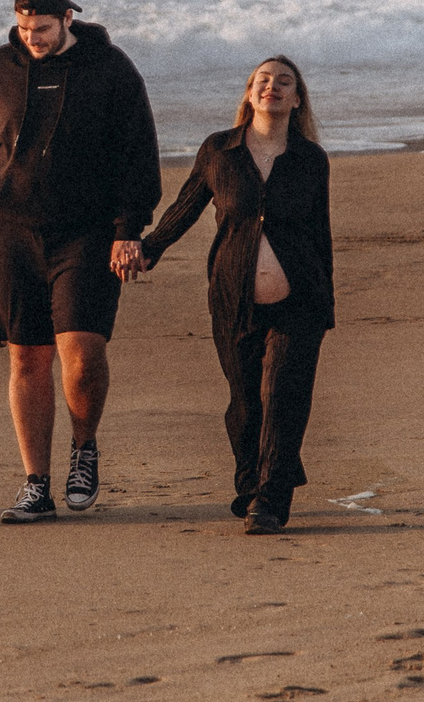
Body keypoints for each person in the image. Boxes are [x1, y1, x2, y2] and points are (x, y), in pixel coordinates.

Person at [0, 0, 160, 523]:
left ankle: (83, 448)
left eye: (40, 27)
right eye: (22, 27)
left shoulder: (111, 71)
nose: (31, 37)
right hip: (11, 232)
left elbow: (138, 154)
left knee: (82, 358)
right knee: (26, 357)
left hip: (87, 236)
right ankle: (35, 484)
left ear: (68, 18)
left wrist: (129, 228)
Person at [120, 56, 333, 535]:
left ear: (297, 99)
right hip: (231, 299)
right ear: (249, 93)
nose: (272, 87)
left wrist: (327, 307)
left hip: (300, 301)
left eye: (284, 82)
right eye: (263, 80)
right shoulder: (220, 151)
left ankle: (270, 500)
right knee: (244, 403)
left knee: (283, 396)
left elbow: (321, 235)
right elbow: (186, 205)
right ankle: (252, 481)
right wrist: (147, 248)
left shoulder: (310, 160)